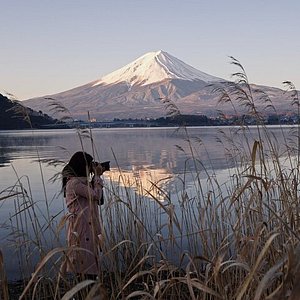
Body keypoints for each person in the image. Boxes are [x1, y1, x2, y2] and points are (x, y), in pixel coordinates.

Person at [62, 151, 104, 278]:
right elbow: (96, 196)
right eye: (90, 165)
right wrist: (97, 177)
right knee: (83, 260)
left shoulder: (81, 183)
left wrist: (94, 179)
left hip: (86, 225)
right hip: (81, 227)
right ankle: (84, 290)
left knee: (87, 259)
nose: (91, 168)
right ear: (82, 166)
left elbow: (99, 200)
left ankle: (86, 288)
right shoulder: (75, 183)